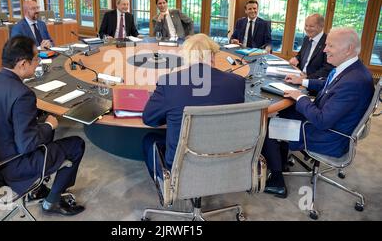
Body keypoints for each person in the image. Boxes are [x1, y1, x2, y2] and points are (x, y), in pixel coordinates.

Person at [0, 36, 85, 216]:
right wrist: (49, 125)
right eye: (37, 58)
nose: (38, 62)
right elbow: (27, 145)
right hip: (12, 166)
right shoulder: (23, 94)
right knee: (76, 144)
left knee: (43, 126)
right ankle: (52, 201)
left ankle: (37, 189)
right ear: (23, 63)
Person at [262, 28, 374, 198]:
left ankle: (277, 182)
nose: (324, 49)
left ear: (349, 49)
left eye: (330, 45)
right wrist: (303, 81)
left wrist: (300, 97)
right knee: (286, 111)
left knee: (267, 126)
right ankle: (281, 161)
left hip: (329, 136)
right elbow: (329, 87)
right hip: (330, 123)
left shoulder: (354, 82)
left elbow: (321, 121)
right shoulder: (352, 69)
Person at [142, 33, 245, 179]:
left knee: (149, 140)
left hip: (182, 167)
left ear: (187, 58)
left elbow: (149, 119)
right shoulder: (237, 82)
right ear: (213, 56)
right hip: (225, 160)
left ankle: (167, 186)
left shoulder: (169, 82)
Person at [288, 14, 333, 79]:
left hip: (312, 81)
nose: (307, 29)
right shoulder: (306, 38)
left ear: (321, 26)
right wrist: (296, 58)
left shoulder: (328, 42)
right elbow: (300, 55)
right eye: (306, 25)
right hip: (299, 74)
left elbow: (327, 68)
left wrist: (307, 78)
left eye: (311, 26)